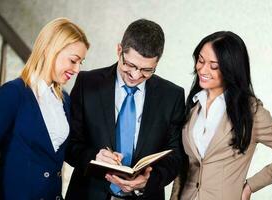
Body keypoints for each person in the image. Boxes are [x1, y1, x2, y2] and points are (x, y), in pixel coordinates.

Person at [65, 19, 186, 200]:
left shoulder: (172, 95)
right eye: (130, 65)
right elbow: (69, 144)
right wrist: (94, 157)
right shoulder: (87, 83)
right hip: (89, 194)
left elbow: (176, 155)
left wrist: (149, 179)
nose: (136, 75)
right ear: (119, 50)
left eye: (147, 70)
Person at [0, 17, 89, 200]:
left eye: (81, 62)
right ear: (49, 50)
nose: (77, 69)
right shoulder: (12, 94)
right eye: (73, 60)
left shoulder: (64, 101)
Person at [170, 31, 272, 200]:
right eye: (200, 60)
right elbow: (184, 166)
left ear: (231, 69)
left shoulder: (251, 111)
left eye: (213, 65)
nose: (202, 69)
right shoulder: (193, 105)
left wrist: (251, 186)